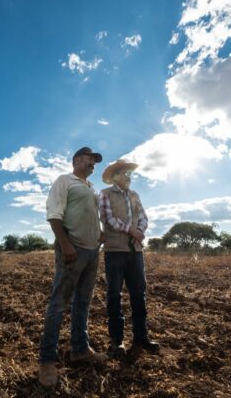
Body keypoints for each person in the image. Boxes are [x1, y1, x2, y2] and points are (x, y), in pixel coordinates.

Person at [38, 147, 108, 388]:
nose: (93, 164)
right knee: (59, 303)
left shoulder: (90, 187)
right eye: (90, 159)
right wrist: (65, 244)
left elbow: (92, 215)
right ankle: (47, 361)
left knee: (83, 302)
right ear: (77, 160)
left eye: (94, 162)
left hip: (91, 251)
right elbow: (54, 214)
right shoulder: (64, 181)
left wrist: (100, 234)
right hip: (72, 249)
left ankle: (79, 349)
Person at [99, 159, 160, 359]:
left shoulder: (135, 195)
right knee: (114, 295)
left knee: (138, 294)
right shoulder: (106, 194)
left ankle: (141, 337)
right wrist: (131, 230)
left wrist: (140, 230)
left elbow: (143, 217)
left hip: (135, 250)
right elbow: (108, 219)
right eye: (125, 174)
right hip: (115, 250)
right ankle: (117, 341)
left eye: (130, 174)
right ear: (115, 176)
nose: (129, 177)